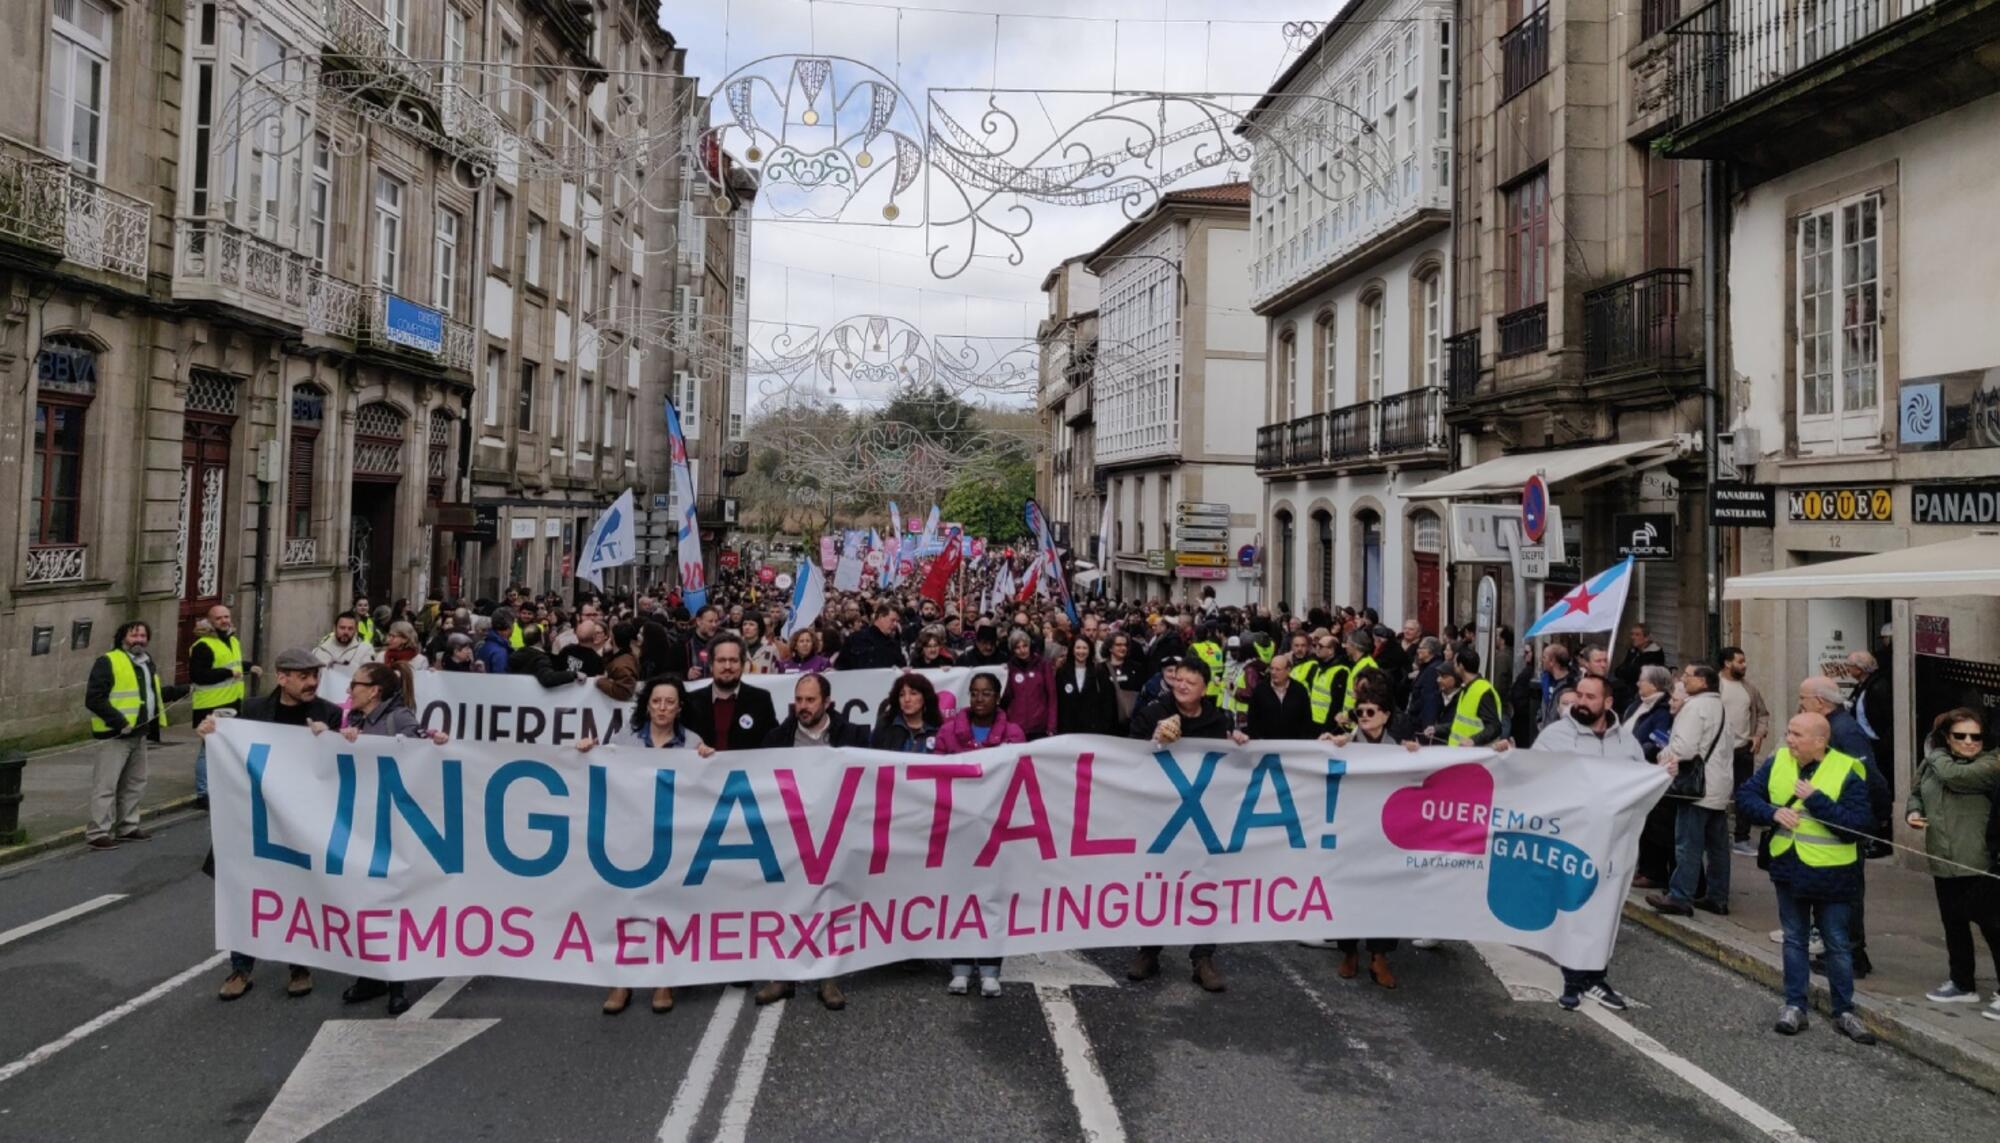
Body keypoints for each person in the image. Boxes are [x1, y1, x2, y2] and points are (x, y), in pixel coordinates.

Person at [201, 647, 343, 1001]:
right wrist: (210, 735)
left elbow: (341, 769)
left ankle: (299, 965)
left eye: (316, 676)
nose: (312, 682)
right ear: (282, 678)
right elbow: (227, 755)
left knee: (297, 892)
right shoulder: (251, 711)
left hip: (301, 824)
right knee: (244, 893)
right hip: (254, 822)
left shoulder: (328, 714)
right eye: (304, 676)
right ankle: (240, 968)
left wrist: (331, 739)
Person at [575, 675, 715, 1015]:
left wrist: (709, 761)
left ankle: (664, 978)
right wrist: (586, 753)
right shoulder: (626, 739)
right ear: (647, 705)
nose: (662, 708)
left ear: (680, 706)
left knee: (668, 908)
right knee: (624, 907)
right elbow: (607, 776)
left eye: (669, 702)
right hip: (631, 838)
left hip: (672, 840)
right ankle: (620, 980)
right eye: (656, 702)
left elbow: (703, 789)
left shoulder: (691, 742)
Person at [1736, 713, 1877, 1044]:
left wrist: (1816, 800)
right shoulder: (1778, 761)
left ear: (1820, 740)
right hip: (1789, 867)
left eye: (1797, 734)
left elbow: (1858, 826)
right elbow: (1745, 797)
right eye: (1789, 731)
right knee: (1795, 940)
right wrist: (1772, 812)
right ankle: (1794, 1006)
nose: (1789, 739)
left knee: (1838, 945)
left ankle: (1844, 1010)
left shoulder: (1847, 769)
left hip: (1834, 873)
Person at [1511, 674, 1646, 1011]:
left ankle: (1596, 977)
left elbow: (1640, 783)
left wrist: (1663, 772)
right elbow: (1535, 778)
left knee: (1604, 910)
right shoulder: (1556, 736)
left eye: (1590, 697)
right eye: (1579, 696)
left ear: (1608, 703)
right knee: (1574, 908)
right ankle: (1573, 980)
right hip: (1571, 840)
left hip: (1613, 844)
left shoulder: (1626, 742)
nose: (1581, 703)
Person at [336, 661, 451, 1014]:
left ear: (375, 691)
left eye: (355, 684)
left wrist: (437, 741)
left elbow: (423, 751)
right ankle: (371, 974)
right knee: (365, 897)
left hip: (395, 824)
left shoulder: (398, 718)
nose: (349, 690)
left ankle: (397, 982)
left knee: (393, 898)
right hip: (363, 823)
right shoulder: (354, 720)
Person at [1128, 657, 1245, 993]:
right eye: (1178, 680)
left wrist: (1237, 743)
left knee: (1205, 884)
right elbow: (1129, 752)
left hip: (1204, 815)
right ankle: (1149, 951)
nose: (1181, 686)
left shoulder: (1217, 719)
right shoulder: (1154, 712)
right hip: (1162, 813)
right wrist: (1155, 739)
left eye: (1189, 683)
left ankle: (1203, 957)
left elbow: (1231, 763)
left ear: (1204, 689)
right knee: (1158, 881)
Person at [756, 674, 870, 1011]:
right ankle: (783, 975)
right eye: (799, 700)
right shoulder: (777, 738)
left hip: (835, 830)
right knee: (787, 901)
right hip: (791, 830)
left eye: (810, 700)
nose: (803, 707)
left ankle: (828, 977)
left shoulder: (854, 736)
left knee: (831, 902)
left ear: (827, 702)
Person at [933, 671, 1027, 996]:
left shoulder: (1013, 733)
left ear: (997, 697)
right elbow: (937, 772)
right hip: (959, 824)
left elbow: (1020, 775)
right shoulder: (949, 731)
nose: (979, 698)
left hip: (996, 826)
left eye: (986, 693)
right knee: (960, 894)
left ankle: (990, 968)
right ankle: (959, 967)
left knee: (992, 896)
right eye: (974, 693)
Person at [1906, 709, 2000, 1017]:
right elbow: (1917, 791)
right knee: (1953, 924)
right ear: (1948, 737)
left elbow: (1956, 777)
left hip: (1978, 860)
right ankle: (1962, 983)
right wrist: (1913, 812)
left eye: (1976, 736)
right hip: (1942, 856)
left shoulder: (1990, 763)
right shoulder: (1934, 762)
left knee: (1993, 927)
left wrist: (1934, 753)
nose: (1970, 742)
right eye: (1961, 736)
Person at [1320, 674, 1411, 987]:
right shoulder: (1343, 745)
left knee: (1386, 893)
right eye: (1360, 713)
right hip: (1351, 830)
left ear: (1385, 715)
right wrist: (1326, 745)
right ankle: (1348, 951)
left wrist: (1416, 754)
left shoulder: (1399, 747)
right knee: (1348, 889)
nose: (1365, 718)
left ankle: (1379, 956)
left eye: (1371, 712)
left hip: (1388, 833)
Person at [83, 621, 191, 850]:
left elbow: (153, 694)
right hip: (114, 735)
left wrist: (182, 690)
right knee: (106, 786)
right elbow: (94, 699)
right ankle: (98, 832)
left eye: (143, 636)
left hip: (139, 734)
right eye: (134, 636)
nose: (139, 640)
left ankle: (127, 826)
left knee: (135, 783)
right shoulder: (108, 661)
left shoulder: (146, 663)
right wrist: (119, 722)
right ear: (123, 637)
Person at [1649, 664, 1734, 917]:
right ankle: (1717, 897)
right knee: (1718, 847)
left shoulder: (1694, 707)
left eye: (1688, 676)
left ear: (1703, 681)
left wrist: (1663, 753)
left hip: (1697, 786)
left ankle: (1680, 896)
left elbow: (1683, 749)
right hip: (1719, 784)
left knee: (1687, 843)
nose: (1683, 679)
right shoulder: (1719, 705)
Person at [188, 603, 252, 811]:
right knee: (208, 751)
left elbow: (233, 664)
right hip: (210, 705)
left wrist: (250, 667)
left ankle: (221, 787)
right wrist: (227, 673)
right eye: (219, 618)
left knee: (225, 749)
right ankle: (203, 793)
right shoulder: (203, 645)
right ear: (210, 621)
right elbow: (199, 675)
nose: (224, 621)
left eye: (226, 617)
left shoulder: (232, 639)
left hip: (231, 703)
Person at [1622, 664, 1678, 889]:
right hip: (1629, 769)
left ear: (1654, 684)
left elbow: (1659, 740)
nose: (1637, 684)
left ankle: (1653, 871)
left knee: (1654, 825)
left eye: (1642, 680)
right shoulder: (1638, 704)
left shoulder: (1662, 710)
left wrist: (1639, 751)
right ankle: (1644, 867)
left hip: (1648, 771)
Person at [683, 635, 780, 751]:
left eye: (733, 660)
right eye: (721, 660)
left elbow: (774, 744)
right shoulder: (692, 701)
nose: (727, 666)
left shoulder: (761, 699)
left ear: (742, 665)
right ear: (710, 665)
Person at [1718, 647, 1772, 852]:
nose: (1744, 665)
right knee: (1717, 793)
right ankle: (1717, 838)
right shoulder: (1715, 686)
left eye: (1745, 661)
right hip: (1718, 751)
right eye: (1740, 661)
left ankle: (1741, 838)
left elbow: (1763, 714)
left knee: (1744, 793)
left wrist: (1758, 734)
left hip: (1743, 749)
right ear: (1727, 663)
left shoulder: (1749, 688)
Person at [1000, 629, 1057, 740]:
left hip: (1040, 726)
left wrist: (1052, 725)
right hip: (1016, 726)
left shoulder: (1043, 664)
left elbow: (1052, 696)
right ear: (1013, 650)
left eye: (1025, 646)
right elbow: (1006, 698)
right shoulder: (1009, 668)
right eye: (1017, 647)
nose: (1022, 650)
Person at [1055, 636, 1118, 735]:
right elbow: (1058, 701)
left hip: (1092, 729)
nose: (1081, 651)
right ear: (1072, 650)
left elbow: (1107, 701)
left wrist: (1104, 727)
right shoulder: (1062, 672)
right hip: (1068, 729)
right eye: (1078, 648)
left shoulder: (1099, 672)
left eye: (1085, 648)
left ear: (1090, 650)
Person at [1246, 651, 1317, 740]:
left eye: (1278, 669)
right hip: (1266, 745)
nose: (1273, 672)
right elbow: (1252, 719)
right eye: (1271, 669)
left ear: (1288, 670)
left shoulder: (1300, 690)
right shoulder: (1260, 690)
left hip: (1293, 745)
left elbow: (1306, 720)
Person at [1442, 651, 1504, 748]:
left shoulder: (1483, 690)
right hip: (1461, 753)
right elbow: (1459, 723)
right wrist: (1437, 729)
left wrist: (1473, 740)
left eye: (1455, 663)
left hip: (1474, 754)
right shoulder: (1466, 689)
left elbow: (1494, 727)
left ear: (1461, 666)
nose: (1453, 667)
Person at [873, 673, 944, 754]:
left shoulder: (938, 730)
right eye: (902, 695)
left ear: (925, 697)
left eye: (913, 693)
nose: (907, 699)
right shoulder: (885, 726)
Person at [508, 624, 585, 688]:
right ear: (542, 638)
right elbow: (548, 678)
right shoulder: (539, 658)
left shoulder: (514, 655)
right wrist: (574, 674)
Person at [838, 604, 909, 670]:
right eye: (892, 620)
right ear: (881, 617)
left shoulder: (894, 645)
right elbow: (841, 666)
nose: (895, 624)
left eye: (897, 621)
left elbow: (902, 669)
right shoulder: (855, 638)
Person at [1615, 623, 1667, 699]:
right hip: (1628, 684)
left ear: (1646, 638)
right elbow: (1621, 667)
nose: (1633, 637)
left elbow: (1636, 674)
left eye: (1637, 635)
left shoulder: (1654, 655)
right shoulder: (1634, 650)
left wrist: (1624, 671)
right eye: (1632, 634)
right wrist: (1622, 671)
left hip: (1643, 690)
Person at [594, 621, 641, 701]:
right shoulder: (623, 657)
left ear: (613, 638)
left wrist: (600, 681)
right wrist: (607, 654)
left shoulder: (622, 665)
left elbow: (624, 692)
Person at [1106, 632, 1144, 725]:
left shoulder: (1137, 668)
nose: (1123, 648)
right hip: (1108, 721)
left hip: (1130, 721)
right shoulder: (1101, 669)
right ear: (1110, 648)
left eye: (1125, 645)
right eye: (1118, 645)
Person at [475, 608, 515, 674]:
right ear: (509, 627)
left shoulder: (486, 643)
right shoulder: (500, 652)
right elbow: (501, 680)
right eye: (513, 624)